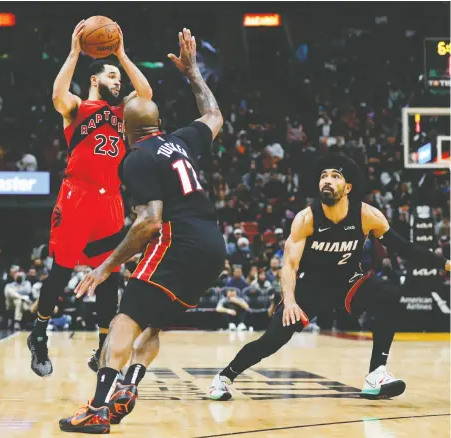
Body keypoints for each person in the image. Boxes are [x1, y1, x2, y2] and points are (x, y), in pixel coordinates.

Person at [58, 27, 225, 434]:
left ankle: (97, 409)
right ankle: (128, 386)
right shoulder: (182, 140)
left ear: (125, 130)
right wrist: (192, 73)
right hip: (213, 247)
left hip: (178, 241)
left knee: (123, 321)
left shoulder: (134, 159)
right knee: (154, 324)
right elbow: (214, 115)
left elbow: (149, 222)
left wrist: (105, 267)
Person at [208, 153, 451, 402]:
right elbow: (289, 266)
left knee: (387, 294)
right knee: (271, 342)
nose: (327, 180)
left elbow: (405, 249)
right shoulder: (307, 219)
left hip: (348, 283)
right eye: (324, 176)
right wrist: (290, 301)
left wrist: (445, 263)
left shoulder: (367, 216)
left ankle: (376, 374)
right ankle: (224, 377)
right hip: (310, 289)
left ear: (348, 188)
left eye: (335, 176)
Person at [27, 20, 153, 377]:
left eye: (119, 78)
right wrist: (74, 52)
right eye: (112, 76)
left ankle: (101, 347)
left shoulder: (123, 112)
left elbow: (146, 95)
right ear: (95, 80)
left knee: (109, 273)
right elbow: (57, 94)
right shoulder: (77, 107)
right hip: (76, 196)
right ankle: (38, 335)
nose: (119, 82)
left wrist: (122, 55)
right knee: (61, 271)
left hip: (111, 199)